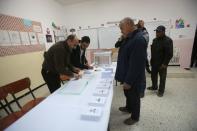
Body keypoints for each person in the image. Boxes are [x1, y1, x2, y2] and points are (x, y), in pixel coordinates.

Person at [115, 17, 147, 125]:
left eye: (121, 28)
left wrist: (128, 81)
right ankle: (128, 108)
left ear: (129, 25)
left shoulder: (138, 40)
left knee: (134, 97)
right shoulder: (129, 37)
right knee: (128, 94)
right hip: (127, 74)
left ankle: (135, 117)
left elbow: (137, 65)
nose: (120, 30)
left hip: (133, 78)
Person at [147, 25, 173, 97]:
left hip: (162, 64)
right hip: (154, 62)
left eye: (159, 32)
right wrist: (151, 60)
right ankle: (154, 86)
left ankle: (161, 91)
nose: (157, 33)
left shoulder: (168, 40)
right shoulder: (155, 40)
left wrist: (165, 64)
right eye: (156, 31)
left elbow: (170, 54)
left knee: (162, 78)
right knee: (153, 76)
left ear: (163, 32)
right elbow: (153, 51)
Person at [137, 20, 150, 98]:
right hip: (135, 56)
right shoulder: (136, 30)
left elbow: (145, 41)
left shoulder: (145, 32)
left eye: (142, 23)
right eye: (140, 23)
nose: (141, 24)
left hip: (142, 55)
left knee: (142, 75)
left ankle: (142, 92)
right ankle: (137, 89)